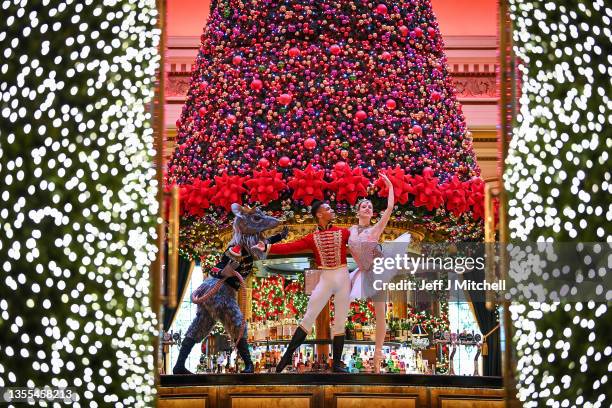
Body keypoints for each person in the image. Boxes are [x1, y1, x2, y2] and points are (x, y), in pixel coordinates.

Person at [173, 204, 287, 375]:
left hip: (216, 293)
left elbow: (265, 243)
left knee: (200, 325)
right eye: (256, 220)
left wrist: (280, 236)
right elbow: (215, 269)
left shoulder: (248, 246)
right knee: (238, 323)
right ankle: (249, 365)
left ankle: (179, 365)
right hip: (221, 292)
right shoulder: (236, 249)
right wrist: (223, 271)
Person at [254, 200, 351, 373]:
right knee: (308, 317)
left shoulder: (343, 233)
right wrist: (267, 247)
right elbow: (291, 247)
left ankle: (336, 363)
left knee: (340, 323)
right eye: (327, 208)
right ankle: (286, 357)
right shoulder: (312, 237)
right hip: (326, 278)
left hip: (343, 278)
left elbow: (360, 243)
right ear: (319, 215)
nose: (332, 210)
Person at [348, 174, 411, 373]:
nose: (367, 208)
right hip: (361, 271)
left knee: (380, 315)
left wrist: (390, 186)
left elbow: (390, 208)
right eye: (364, 206)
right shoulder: (350, 230)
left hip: (377, 271)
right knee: (342, 302)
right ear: (357, 210)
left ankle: (377, 359)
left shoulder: (375, 229)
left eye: (370, 207)